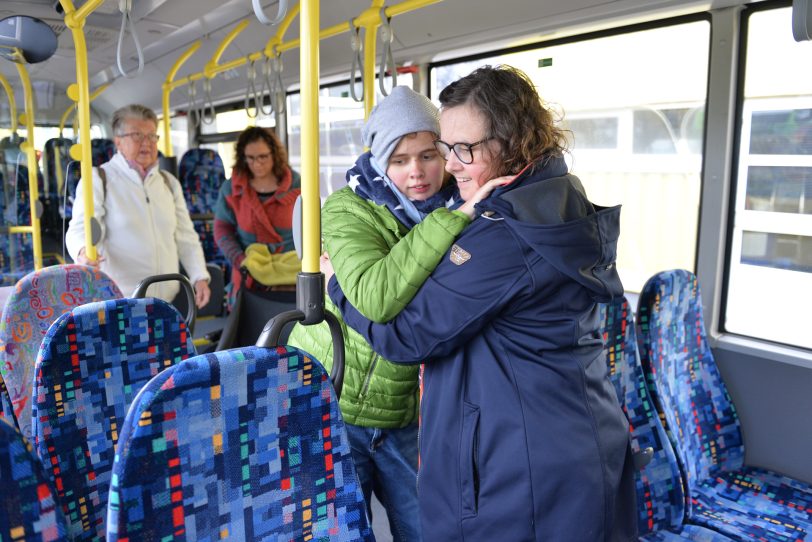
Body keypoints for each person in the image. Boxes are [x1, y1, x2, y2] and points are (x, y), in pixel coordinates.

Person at [327, 66, 637, 541]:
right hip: (569, 436)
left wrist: (336, 288)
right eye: (445, 148)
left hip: (521, 466)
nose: (447, 166)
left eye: (460, 150)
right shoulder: (558, 195)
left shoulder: (504, 233)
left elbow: (407, 335)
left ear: (512, 143)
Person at [287, 86, 505, 542]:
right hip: (335, 398)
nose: (417, 172)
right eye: (400, 159)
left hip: (407, 408)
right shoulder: (349, 209)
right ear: (380, 160)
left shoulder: (460, 203)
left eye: (429, 155)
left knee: (425, 529)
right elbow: (376, 297)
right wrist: (456, 217)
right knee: (339, 530)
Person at [66, 104, 210, 307]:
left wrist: (199, 276)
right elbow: (80, 229)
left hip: (166, 301)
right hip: (120, 300)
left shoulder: (168, 182)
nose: (147, 143)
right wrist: (83, 251)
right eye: (137, 135)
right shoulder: (99, 179)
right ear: (118, 142)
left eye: (152, 136)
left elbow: (185, 235)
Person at [213, 126, 301, 306]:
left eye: (263, 157)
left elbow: (311, 225)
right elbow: (222, 230)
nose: (257, 163)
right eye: (251, 158)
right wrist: (241, 261)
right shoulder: (231, 189)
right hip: (249, 270)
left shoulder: (297, 184)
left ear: (274, 154)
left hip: (291, 272)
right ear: (243, 158)